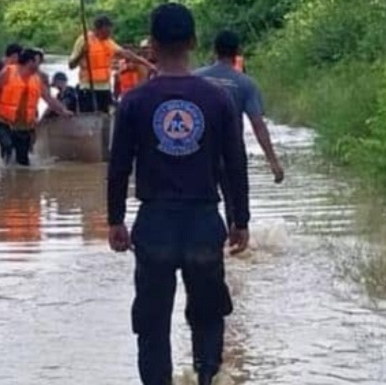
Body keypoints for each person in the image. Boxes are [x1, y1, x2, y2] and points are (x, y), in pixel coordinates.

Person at [107, 4, 250, 385]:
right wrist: (241, 220)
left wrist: (115, 220)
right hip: (204, 222)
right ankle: (207, 378)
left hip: (154, 226)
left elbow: (118, 166)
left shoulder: (134, 102)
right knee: (207, 315)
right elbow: (234, 164)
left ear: (151, 44)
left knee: (152, 324)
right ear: (192, 41)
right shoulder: (219, 99)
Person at [194, 30, 284, 228]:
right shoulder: (246, 84)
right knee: (236, 211)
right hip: (232, 153)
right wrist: (273, 162)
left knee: (199, 205)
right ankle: (236, 247)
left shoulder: (195, 79)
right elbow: (258, 126)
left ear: (214, 51)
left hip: (199, 153)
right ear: (238, 52)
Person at [0, 48, 73, 166]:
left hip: (24, 126)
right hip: (3, 121)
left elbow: (49, 99)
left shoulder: (36, 79)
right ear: (30, 62)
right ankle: (7, 179)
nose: (40, 65)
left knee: (23, 162)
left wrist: (63, 111)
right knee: (8, 147)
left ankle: (21, 180)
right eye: (38, 62)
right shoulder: (7, 73)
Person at [67, 15, 156, 113]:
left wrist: (149, 65)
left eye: (110, 31)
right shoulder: (84, 40)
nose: (109, 34)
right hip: (87, 88)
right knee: (89, 117)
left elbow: (127, 54)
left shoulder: (108, 42)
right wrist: (82, 53)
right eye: (106, 32)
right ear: (98, 29)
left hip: (105, 88)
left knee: (106, 117)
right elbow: (71, 65)